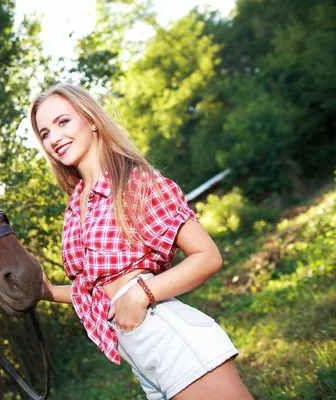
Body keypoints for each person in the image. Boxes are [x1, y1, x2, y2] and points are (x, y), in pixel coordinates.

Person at [29, 83, 252, 400]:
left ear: (91, 120)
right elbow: (97, 291)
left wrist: (142, 294)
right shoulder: (75, 208)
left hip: (172, 341)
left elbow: (208, 256)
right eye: (45, 132)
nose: (54, 138)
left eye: (63, 122)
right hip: (142, 362)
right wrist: (48, 292)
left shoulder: (135, 183)